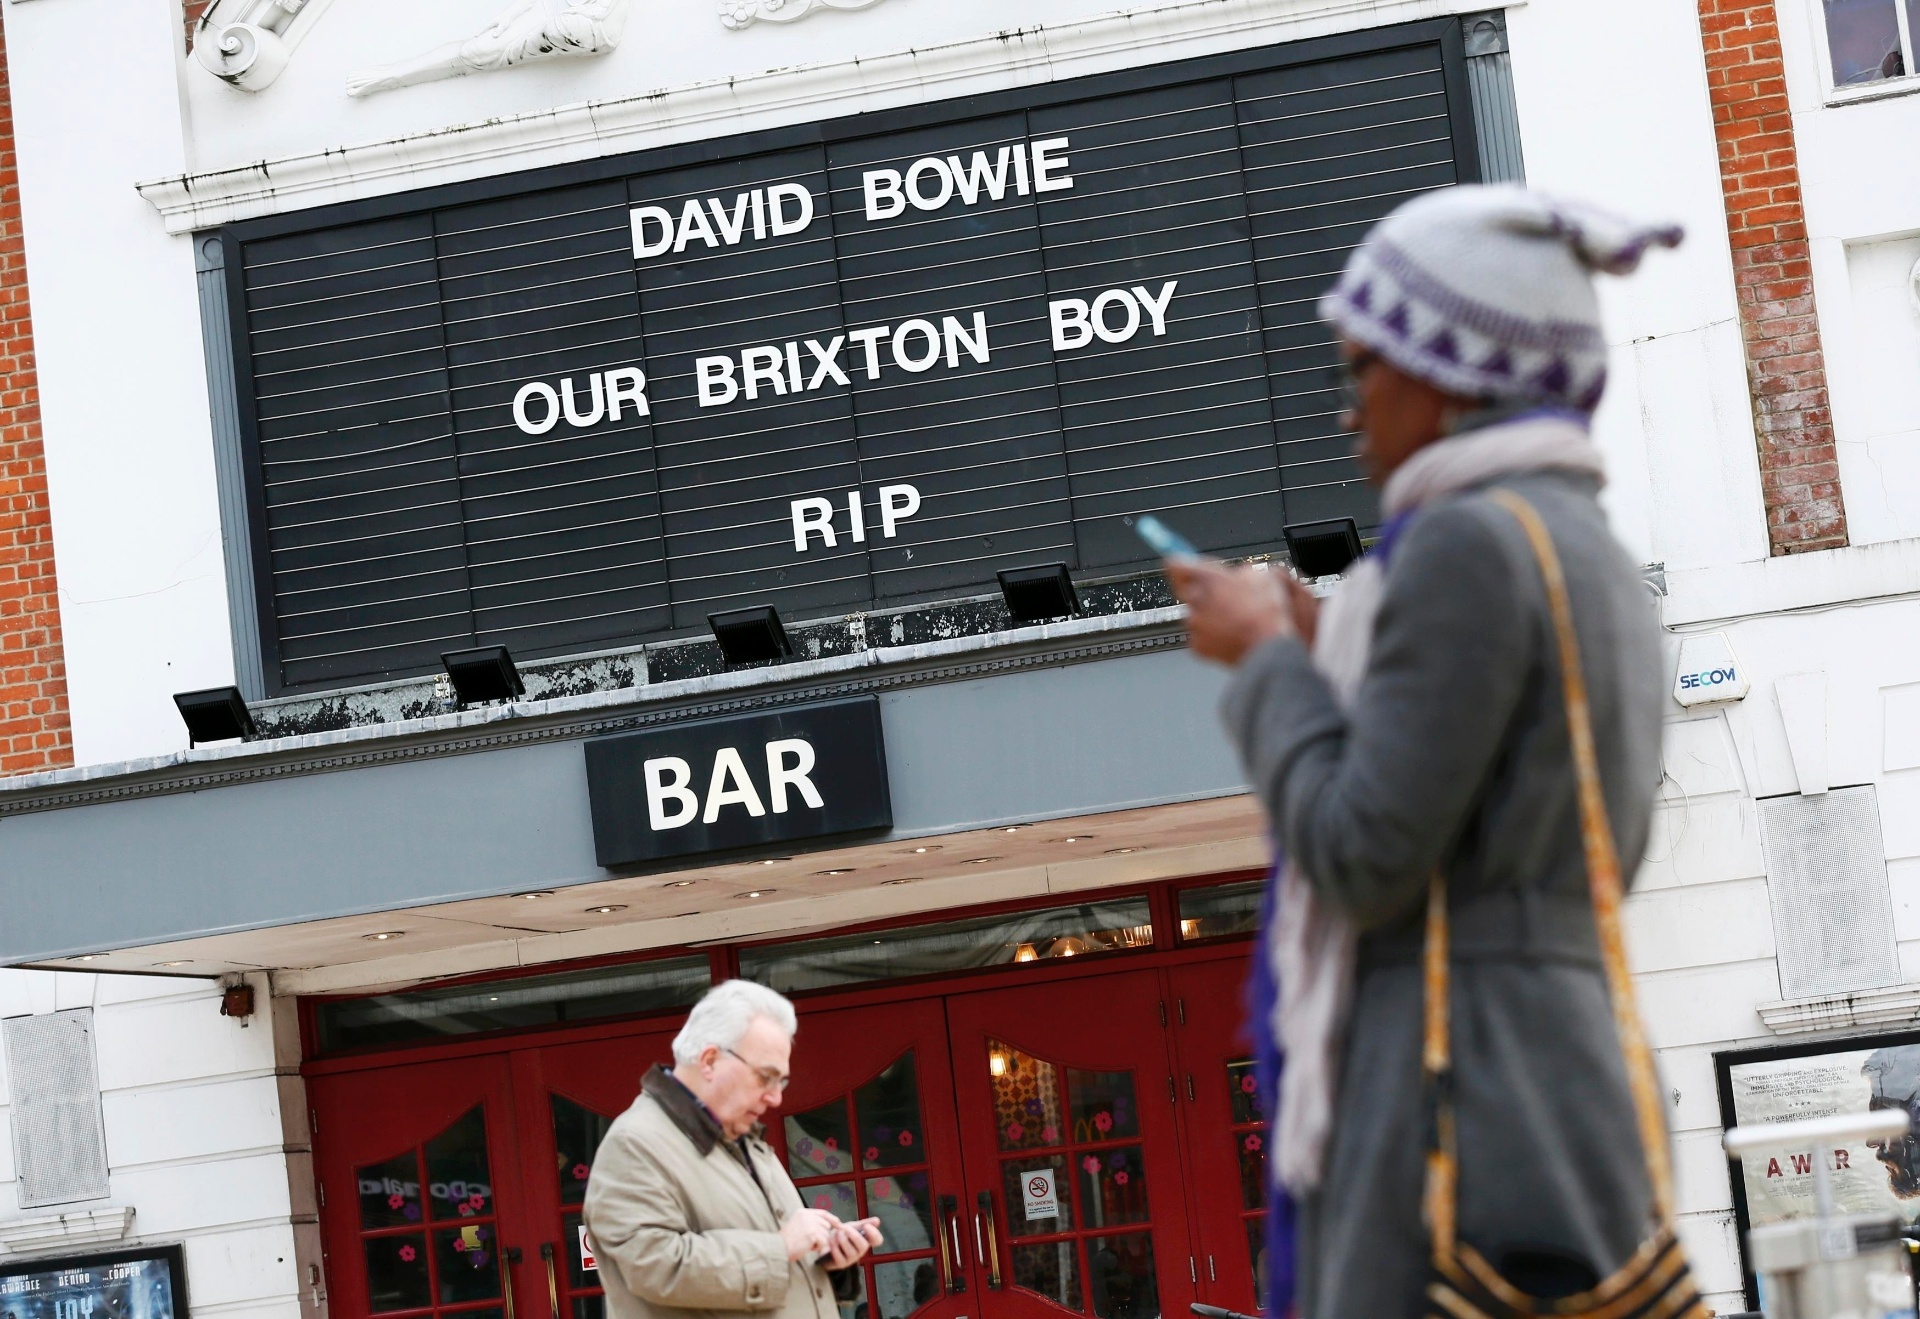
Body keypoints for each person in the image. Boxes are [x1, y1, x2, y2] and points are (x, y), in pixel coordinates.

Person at [1168, 184, 1679, 1318]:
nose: (1348, 410)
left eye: (1363, 367)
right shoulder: (1583, 545)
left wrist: (1267, 660)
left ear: (1454, 369)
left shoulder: (1461, 543)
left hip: (1456, 1092)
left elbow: (1363, 852)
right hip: (1561, 1072)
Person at [584, 979, 884, 1319]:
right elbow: (653, 1266)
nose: (776, 1097)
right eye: (766, 1077)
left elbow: (774, 1263)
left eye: (781, 1081)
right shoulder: (634, 1144)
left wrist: (825, 1256)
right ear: (710, 1060)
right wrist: (781, 1247)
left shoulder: (742, 1138)